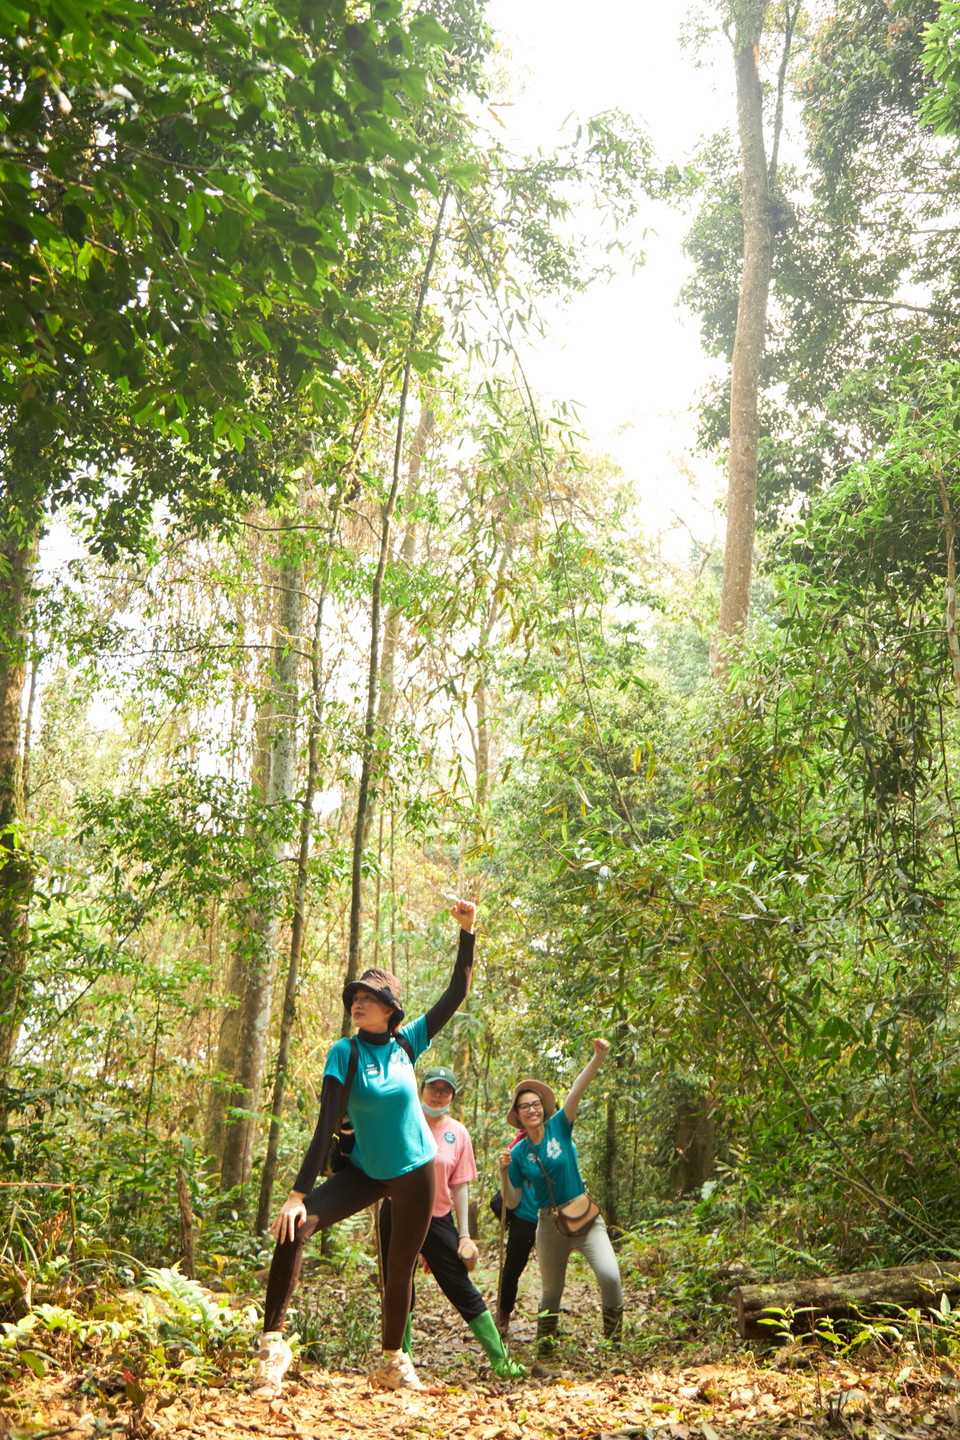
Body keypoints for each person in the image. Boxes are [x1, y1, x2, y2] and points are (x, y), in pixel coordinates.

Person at [252, 899, 477, 1398]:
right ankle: (272, 1348)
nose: (359, 1002)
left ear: (390, 1009)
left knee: (399, 1269)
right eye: (356, 995)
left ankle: (392, 1361)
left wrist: (467, 932)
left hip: (418, 1172)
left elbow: (456, 992)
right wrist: (296, 1193)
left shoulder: (407, 1044)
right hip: (367, 1172)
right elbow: (325, 1123)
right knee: (294, 1229)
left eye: (370, 997)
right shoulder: (344, 1051)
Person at [380, 1066, 525, 1380]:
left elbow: (460, 1186)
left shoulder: (458, 1133)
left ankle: (501, 1361)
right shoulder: (403, 1119)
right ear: (422, 1089)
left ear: (452, 1096)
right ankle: (398, 1361)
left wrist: (464, 1236)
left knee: (461, 1286)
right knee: (398, 1284)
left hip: (437, 1218)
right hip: (396, 1211)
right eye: (434, 1087)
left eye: (445, 1089)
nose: (438, 1094)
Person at [499, 1038, 623, 1355]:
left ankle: (614, 1344)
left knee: (610, 1276)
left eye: (535, 1104)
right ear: (518, 1115)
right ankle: (545, 1350)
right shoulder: (519, 1152)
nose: (531, 1109)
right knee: (551, 1292)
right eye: (524, 1106)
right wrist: (503, 1172)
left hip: (583, 1215)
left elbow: (577, 1090)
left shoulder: (560, 1127)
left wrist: (598, 1056)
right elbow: (512, 1202)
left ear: (544, 1108)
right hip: (548, 1224)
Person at [490, 1130, 540, 1337]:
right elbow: (509, 1184)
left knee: (554, 1273)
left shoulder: (559, 1143)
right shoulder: (520, 1146)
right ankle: (502, 1318)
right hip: (524, 1216)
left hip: (550, 1217)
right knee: (512, 1269)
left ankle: (549, 1323)